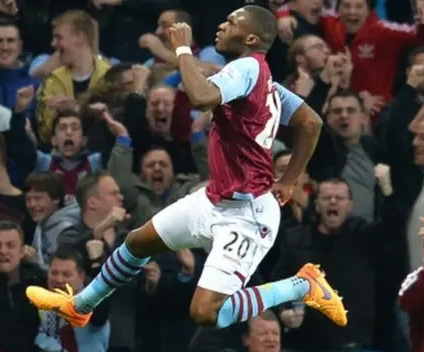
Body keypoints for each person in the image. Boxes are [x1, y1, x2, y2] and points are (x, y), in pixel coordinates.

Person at [27, 5, 347, 330]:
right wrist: (289, 180)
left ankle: (304, 285)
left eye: (231, 21)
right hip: (214, 199)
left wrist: (182, 50)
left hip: (246, 214)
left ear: (250, 38)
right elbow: (310, 122)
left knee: (206, 313)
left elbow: (202, 98)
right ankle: (80, 306)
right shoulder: (267, 84)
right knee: (138, 242)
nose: (221, 25)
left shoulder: (247, 67)